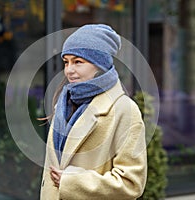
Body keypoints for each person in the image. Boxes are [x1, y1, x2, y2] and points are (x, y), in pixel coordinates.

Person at [40, 24, 147, 200]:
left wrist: (72, 182)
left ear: (100, 64)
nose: (69, 70)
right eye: (66, 62)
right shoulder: (64, 103)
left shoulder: (124, 110)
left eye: (78, 62)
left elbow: (131, 183)